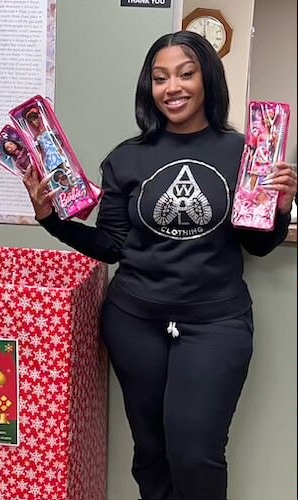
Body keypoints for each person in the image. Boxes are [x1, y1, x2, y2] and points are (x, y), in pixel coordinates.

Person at [22, 31, 297, 500]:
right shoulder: (127, 158)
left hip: (216, 323)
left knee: (196, 453)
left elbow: (259, 247)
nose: (173, 87)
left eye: (186, 73)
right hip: (134, 322)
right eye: (160, 77)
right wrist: (50, 220)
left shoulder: (245, 154)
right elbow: (111, 246)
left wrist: (279, 207)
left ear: (207, 78)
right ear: (148, 87)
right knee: (151, 452)